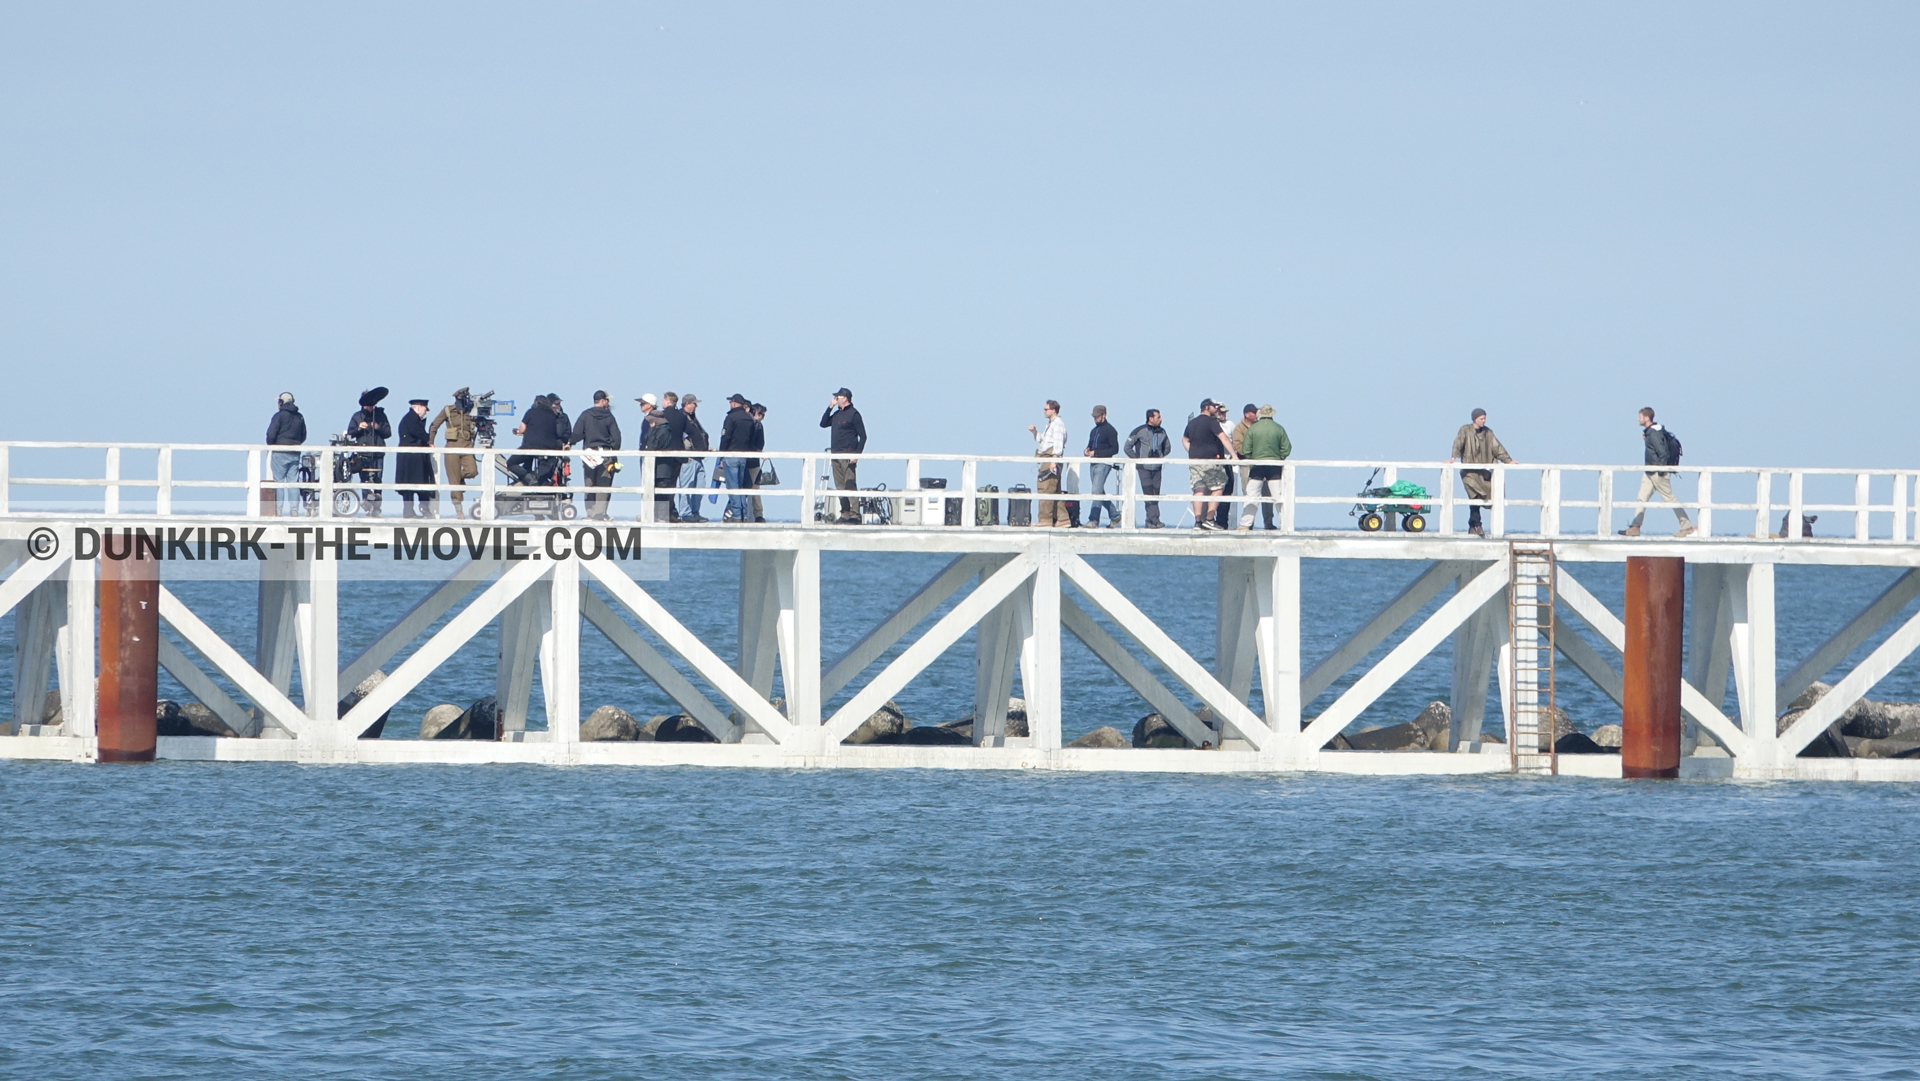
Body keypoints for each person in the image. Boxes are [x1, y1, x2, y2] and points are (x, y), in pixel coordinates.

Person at [1621, 407, 1695, 537]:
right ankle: (1635, 527)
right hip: (1649, 472)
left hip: (1657, 472)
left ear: (1646, 418)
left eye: (1640, 417)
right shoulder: (1652, 432)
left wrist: (1660, 471)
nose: (1638, 419)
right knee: (1641, 498)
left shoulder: (1654, 433)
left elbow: (1663, 453)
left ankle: (1686, 526)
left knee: (1669, 498)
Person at [1449, 407, 1515, 536]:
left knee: (1489, 495)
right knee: (1473, 496)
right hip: (1469, 472)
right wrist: (1453, 458)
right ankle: (1477, 524)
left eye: (1484, 418)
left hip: (1483, 472)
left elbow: (1497, 448)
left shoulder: (1488, 433)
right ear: (1475, 419)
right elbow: (1458, 443)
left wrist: (1508, 460)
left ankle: (1473, 525)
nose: (1484, 421)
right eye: (1481, 418)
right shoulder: (1465, 430)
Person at [1182, 399, 1237, 531]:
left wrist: (1192, 451)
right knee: (1218, 487)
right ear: (1206, 407)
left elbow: (1184, 439)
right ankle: (1210, 519)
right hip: (1211, 462)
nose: (1217, 409)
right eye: (1214, 406)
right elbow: (1223, 437)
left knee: (1198, 489)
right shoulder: (1212, 422)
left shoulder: (1193, 423)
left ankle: (1198, 522)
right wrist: (1234, 456)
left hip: (1195, 461)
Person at [1236, 405, 1291, 531]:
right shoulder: (1279, 428)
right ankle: (1285, 523)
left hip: (1257, 466)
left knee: (1252, 494)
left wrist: (1253, 457)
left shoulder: (1253, 429)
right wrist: (1279, 457)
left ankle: (1245, 523)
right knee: (1278, 496)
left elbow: (1246, 449)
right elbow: (1286, 449)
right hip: (1274, 466)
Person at [428, 388, 479, 519]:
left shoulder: (472, 410)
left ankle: (459, 478)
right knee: (454, 482)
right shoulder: (448, 410)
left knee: (472, 471)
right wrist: (431, 442)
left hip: (467, 446)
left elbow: (482, 424)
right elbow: (434, 425)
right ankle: (459, 510)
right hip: (452, 447)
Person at [820, 388, 866, 523]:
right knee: (840, 486)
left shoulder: (854, 414)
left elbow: (863, 437)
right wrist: (829, 408)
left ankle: (855, 514)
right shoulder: (836, 415)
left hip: (848, 455)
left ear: (845, 398)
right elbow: (823, 424)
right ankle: (845, 513)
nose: (836, 399)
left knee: (850, 484)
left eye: (838, 397)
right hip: (835, 454)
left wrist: (856, 455)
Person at [576, 389, 622, 521]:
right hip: (606, 454)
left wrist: (569, 443)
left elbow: (577, 434)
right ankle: (600, 513)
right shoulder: (609, 417)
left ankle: (590, 514)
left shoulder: (585, 415)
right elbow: (616, 438)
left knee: (589, 483)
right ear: (602, 401)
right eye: (607, 400)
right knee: (604, 484)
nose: (608, 403)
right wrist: (614, 450)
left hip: (589, 455)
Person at [347, 387, 391, 517]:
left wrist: (378, 427)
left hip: (378, 453)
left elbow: (388, 433)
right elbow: (350, 433)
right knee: (365, 481)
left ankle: (377, 508)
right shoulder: (357, 416)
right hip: (363, 453)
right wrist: (359, 428)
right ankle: (367, 506)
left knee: (377, 480)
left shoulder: (381, 416)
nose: (370, 406)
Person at [643, 392, 687, 522]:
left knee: (659, 484)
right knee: (671, 486)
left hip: (663, 454)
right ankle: (670, 513)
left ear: (667, 401)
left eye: (663, 400)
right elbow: (690, 432)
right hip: (678, 454)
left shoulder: (661, 416)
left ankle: (659, 513)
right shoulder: (682, 416)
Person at [1125, 409, 1170, 529]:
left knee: (1155, 494)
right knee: (1148, 493)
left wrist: (1159, 456)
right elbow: (1127, 447)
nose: (1160, 419)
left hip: (1157, 468)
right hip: (1144, 467)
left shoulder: (1162, 432)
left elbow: (1167, 448)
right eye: (1158, 417)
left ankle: (1150, 521)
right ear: (1150, 418)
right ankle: (1155, 520)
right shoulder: (1140, 431)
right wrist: (1137, 458)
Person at [1027, 400, 1069, 527]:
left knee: (1045, 488)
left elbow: (1058, 444)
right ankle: (1063, 519)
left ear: (1053, 410)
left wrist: (1053, 461)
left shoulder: (1057, 425)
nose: (1044, 411)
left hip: (1051, 458)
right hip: (1048, 457)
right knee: (1054, 490)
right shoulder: (1050, 424)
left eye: (1046, 409)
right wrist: (1034, 432)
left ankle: (1045, 520)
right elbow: (1043, 440)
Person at [508, 393, 564, 487]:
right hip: (548, 448)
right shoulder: (552, 415)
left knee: (510, 463)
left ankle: (529, 479)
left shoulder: (530, 412)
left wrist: (519, 431)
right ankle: (538, 479)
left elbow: (522, 429)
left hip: (530, 446)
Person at [265, 392, 306, 517]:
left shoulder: (279, 416)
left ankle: (278, 510)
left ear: (281, 403)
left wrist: (272, 444)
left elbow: (271, 434)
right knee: (293, 481)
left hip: (280, 452)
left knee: (279, 481)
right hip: (295, 452)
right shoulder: (300, 417)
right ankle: (294, 510)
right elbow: (303, 435)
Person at [395, 398, 437, 519]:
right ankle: (411, 512)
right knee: (411, 485)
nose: (425, 412)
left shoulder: (411, 419)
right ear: (418, 408)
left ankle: (417, 509)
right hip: (410, 458)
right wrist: (429, 440)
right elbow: (418, 433)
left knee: (416, 484)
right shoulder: (411, 419)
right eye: (424, 409)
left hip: (413, 458)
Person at [718, 393, 757, 522]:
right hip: (743, 456)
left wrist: (721, 455)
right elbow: (752, 438)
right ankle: (744, 514)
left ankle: (736, 514)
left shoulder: (731, 418)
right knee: (741, 486)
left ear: (734, 403)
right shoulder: (748, 419)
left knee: (732, 486)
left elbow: (726, 437)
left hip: (731, 455)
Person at [1082, 406, 1120, 528]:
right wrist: (1087, 451)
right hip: (1093, 463)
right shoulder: (1093, 431)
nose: (1095, 419)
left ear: (1104, 415)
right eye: (1094, 417)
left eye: (1097, 416)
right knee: (1098, 491)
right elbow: (1090, 445)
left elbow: (1115, 449)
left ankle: (1093, 520)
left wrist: (1097, 453)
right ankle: (1115, 516)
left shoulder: (1111, 430)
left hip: (1104, 463)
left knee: (1096, 491)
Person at [677, 395, 710, 522]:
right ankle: (685, 513)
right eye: (694, 404)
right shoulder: (682, 418)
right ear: (687, 403)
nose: (696, 406)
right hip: (689, 458)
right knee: (686, 486)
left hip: (699, 457)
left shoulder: (692, 418)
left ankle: (695, 512)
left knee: (700, 486)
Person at [1226, 403, 1258, 529]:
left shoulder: (1258, 426)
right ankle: (1248, 524)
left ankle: (1268, 523)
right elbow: (1239, 447)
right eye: (1254, 413)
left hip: (1259, 465)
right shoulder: (1239, 429)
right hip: (1246, 465)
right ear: (1247, 414)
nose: (1257, 415)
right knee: (1247, 493)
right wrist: (1254, 452)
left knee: (1266, 494)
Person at [746, 403, 768, 523]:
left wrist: (758, 452)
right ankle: (738, 512)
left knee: (755, 488)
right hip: (745, 461)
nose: (762, 418)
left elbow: (760, 443)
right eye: (761, 415)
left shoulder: (759, 426)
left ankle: (758, 514)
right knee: (742, 487)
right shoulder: (747, 424)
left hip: (753, 462)